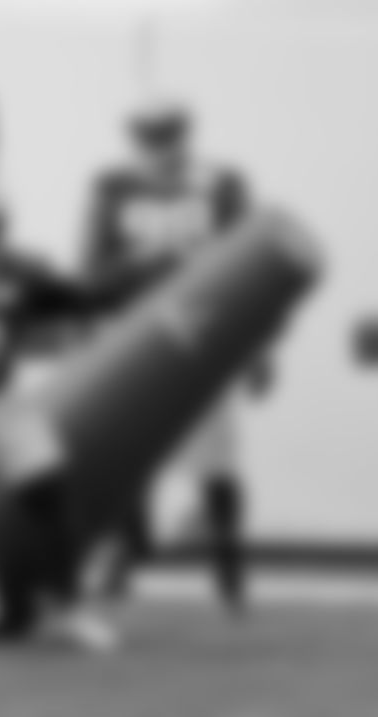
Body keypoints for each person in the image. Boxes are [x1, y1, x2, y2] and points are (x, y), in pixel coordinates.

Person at [0, 165, 164, 652]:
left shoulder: (18, 273)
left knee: (48, 491)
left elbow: (88, 297)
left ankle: (69, 604)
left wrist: (146, 267)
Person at [81, 98, 270, 615]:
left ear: (186, 137)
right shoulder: (111, 187)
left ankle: (230, 571)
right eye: (149, 140)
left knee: (215, 463)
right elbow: (92, 273)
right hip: (135, 337)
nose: (160, 152)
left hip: (203, 336)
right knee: (128, 456)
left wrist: (257, 348)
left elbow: (250, 266)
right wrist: (147, 265)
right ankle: (126, 555)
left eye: (168, 139)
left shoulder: (222, 184)